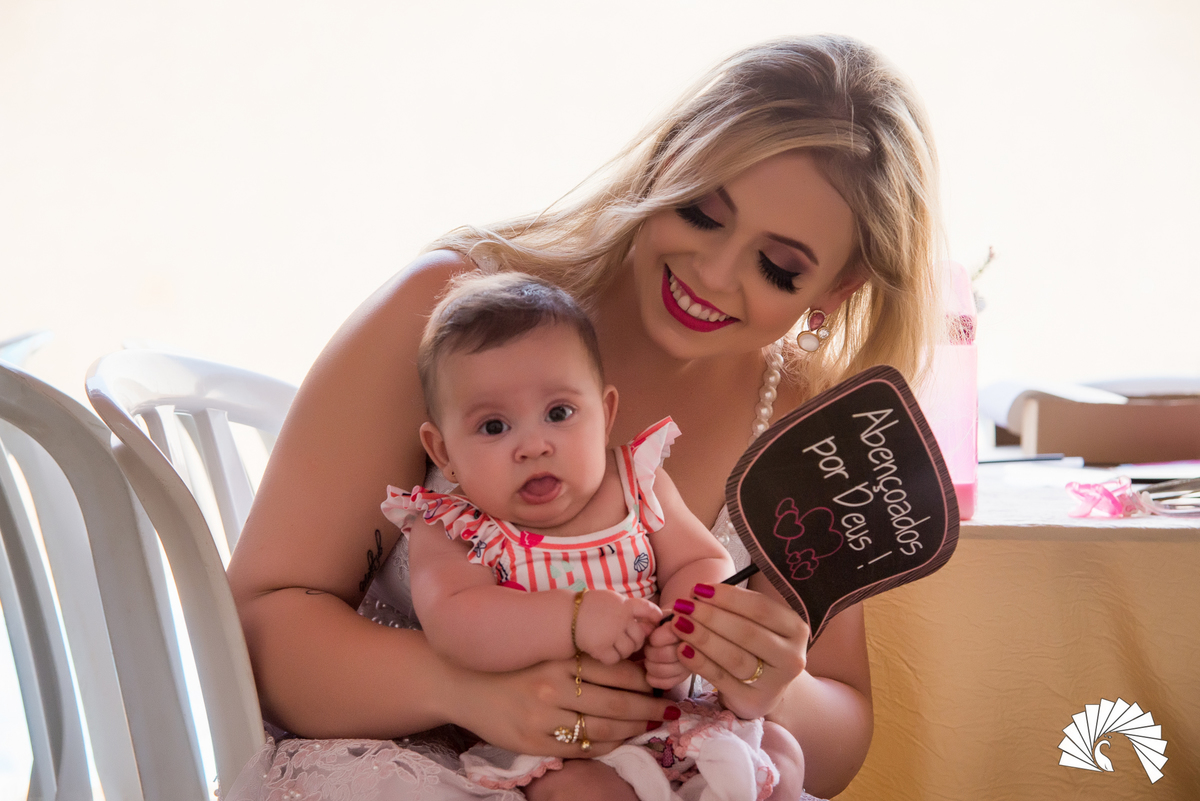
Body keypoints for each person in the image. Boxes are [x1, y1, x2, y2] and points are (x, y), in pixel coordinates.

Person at [225, 33, 940, 801]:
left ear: (837, 288)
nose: (713, 272)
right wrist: (460, 686)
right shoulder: (447, 317)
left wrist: (770, 685)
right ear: (664, 162)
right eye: (701, 211)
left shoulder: (807, 427)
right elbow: (254, 624)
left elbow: (841, 730)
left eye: (779, 266)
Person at [383, 270, 798, 800]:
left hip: (673, 720)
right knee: (584, 792)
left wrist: (683, 626)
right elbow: (456, 624)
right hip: (557, 741)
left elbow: (700, 560)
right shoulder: (458, 527)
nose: (534, 446)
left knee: (783, 754)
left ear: (605, 414)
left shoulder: (637, 484)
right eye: (494, 426)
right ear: (443, 452)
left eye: (559, 413)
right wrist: (576, 618)